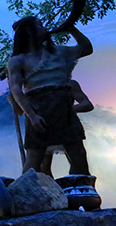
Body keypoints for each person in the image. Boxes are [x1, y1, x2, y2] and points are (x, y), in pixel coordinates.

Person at [7, 17, 93, 175]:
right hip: (39, 111)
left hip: (64, 109)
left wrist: (71, 29)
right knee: (35, 157)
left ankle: (80, 186)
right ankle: (27, 188)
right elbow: (16, 89)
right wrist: (32, 115)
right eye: (39, 25)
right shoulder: (18, 60)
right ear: (29, 32)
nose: (44, 28)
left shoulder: (59, 52)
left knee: (78, 154)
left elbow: (86, 48)